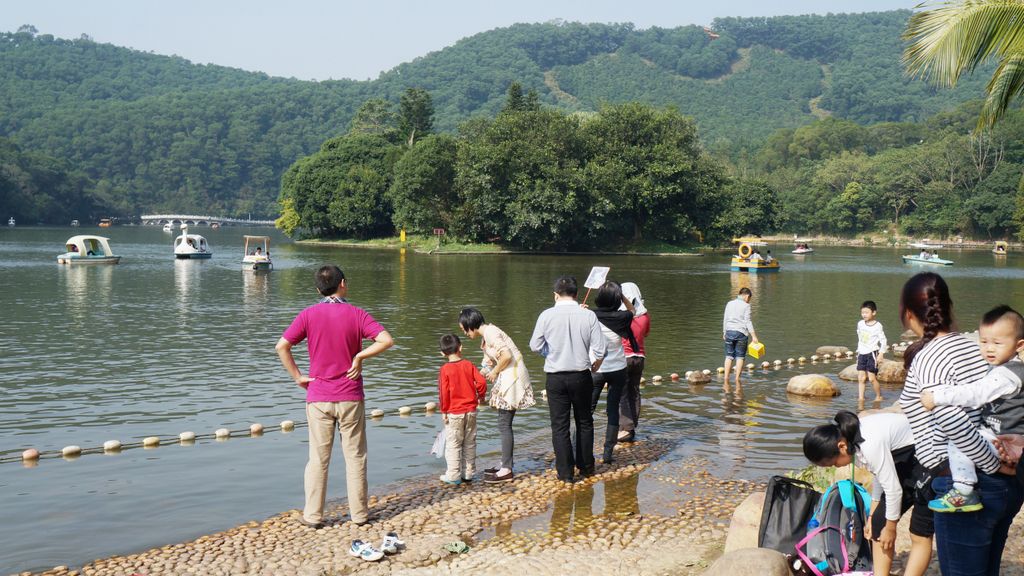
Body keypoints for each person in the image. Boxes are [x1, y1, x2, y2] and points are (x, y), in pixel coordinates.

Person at [897, 272, 1023, 575]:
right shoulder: (979, 346)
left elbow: (952, 419)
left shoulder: (931, 356)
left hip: (967, 483)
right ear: (949, 306)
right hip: (1006, 482)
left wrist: (991, 463)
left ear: (908, 314)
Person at [275, 265, 394, 529]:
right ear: (344, 284)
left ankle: (313, 516)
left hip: (318, 396)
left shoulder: (308, 315)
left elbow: (281, 346)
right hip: (350, 396)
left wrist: (297, 376)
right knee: (355, 457)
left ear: (318, 289)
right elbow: (386, 340)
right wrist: (360, 356)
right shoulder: (357, 314)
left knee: (318, 459)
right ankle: (360, 515)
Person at [919, 305, 1024, 512]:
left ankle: (964, 490)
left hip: (1004, 437)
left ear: (1019, 345)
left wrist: (938, 396)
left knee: (959, 442)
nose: (989, 349)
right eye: (983, 341)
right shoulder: (1003, 368)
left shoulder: (1008, 375)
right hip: (1003, 435)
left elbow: (976, 394)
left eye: (997, 343)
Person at [803, 410, 933, 576]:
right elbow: (880, 474)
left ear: (841, 447)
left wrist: (891, 528)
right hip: (903, 464)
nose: (837, 467)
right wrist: (872, 516)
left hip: (930, 461)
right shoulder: (852, 441)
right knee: (878, 526)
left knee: (919, 533)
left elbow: (893, 490)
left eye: (834, 463)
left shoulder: (869, 443)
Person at [529, 275, 607, 484]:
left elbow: (535, 346)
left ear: (555, 295)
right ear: (576, 294)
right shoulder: (588, 315)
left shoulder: (546, 315)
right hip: (581, 375)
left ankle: (565, 473)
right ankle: (586, 466)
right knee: (584, 421)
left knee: (560, 425)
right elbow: (600, 349)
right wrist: (596, 363)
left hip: (555, 377)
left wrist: (550, 352)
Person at [458, 307, 535, 484]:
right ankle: (505, 463)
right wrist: (480, 373)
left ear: (470, 324)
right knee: (504, 422)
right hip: (509, 376)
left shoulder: (491, 333)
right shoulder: (487, 336)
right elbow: (490, 360)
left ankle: (506, 469)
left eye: (463, 328)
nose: (464, 332)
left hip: (513, 377)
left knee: (504, 423)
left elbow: (506, 355)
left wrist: (494, 372)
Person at [587, 281, 636, 464]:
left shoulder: (589, 315)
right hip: (618, 369)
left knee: (587, 411)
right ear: (617, 299)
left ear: (599, 297)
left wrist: (581, 310)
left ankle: (584, 451)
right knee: (613, 410)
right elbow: (633, 310)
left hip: (595, 368)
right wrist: (622, 296)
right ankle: (608, 453)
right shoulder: (622, 317)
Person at [436, 333, 487, 485]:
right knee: (470, 442)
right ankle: (468, 473)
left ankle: (453, 475)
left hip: (454, 412)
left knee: (454, 444)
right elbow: (482, 382)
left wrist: (444, 411)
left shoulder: (445, 369)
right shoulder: (469, 365)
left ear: (442, 353)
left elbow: (444, 393)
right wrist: (481, 397)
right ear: (461, 348)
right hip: (471, 411)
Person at [618, 282, 649, 443]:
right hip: (640, 358)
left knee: (622, 393)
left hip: (624, 357)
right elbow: (646, 333)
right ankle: (632, 425)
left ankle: (625, 428)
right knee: (634, 391)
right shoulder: (644, 315)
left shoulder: (621, 316)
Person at [722, 287, 759, 395]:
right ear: (747, 296)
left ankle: (725, 379)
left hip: (729, 331)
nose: (749, 301)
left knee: (729, 356)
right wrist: (754, 336)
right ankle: (737, 380)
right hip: (741, 333)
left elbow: (725, 318)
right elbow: (747, 321)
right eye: (749, 299)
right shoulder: (746, 306)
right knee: (740, 357)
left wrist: (724, 332)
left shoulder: (729, 303)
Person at [856, 300, 887, 403]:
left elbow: (883, 341)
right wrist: (859, 351)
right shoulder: (860, 324)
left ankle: (878, 396)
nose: (864, 315)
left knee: (872, 378)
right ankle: (861, 398)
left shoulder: (878, 326)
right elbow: (860, 338)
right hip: (862, 353)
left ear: (873, 313)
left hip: (872, 353)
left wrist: (881, 354)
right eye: (862, 312)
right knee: (861, 378)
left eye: (866, 312)